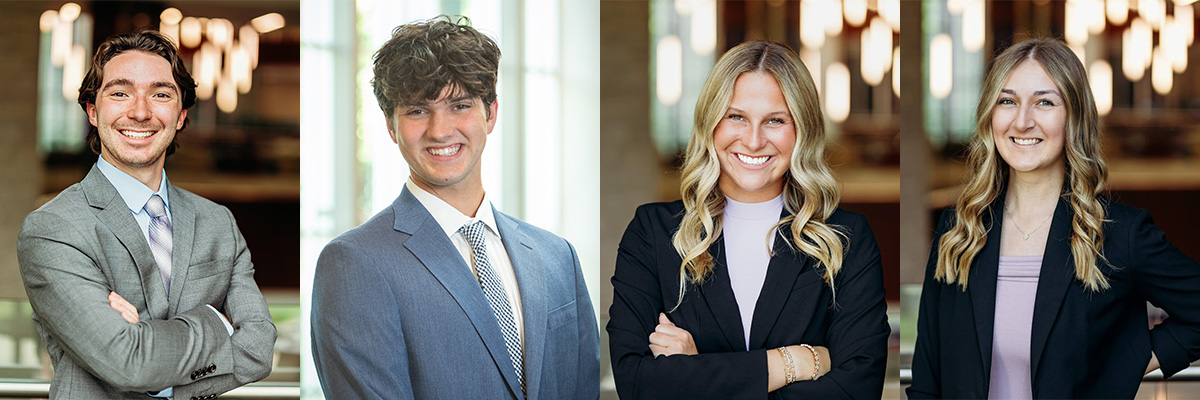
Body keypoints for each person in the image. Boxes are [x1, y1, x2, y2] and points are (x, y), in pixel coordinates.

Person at [309, 15, 599, 399]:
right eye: (416, 110)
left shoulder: (557, 256)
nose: (440, 130)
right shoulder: (354, 264)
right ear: (391, 126)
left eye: (460, 105)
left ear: (491, 113)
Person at [908, 38, 1200, 399]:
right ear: (990, 115)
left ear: (1074, 117)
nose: (1022, 120)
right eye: (1007, 101)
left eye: (1044, 102)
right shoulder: (959, 230)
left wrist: (1128, 361)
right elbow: (926, 381)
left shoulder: (1119, 234)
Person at [608, 40, 889, 399]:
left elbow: (857, 390)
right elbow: (636, 382)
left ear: (801, 129)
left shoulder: (846, 238)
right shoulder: (653, 233)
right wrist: (794, 362)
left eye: (775, 120)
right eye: (736, 116)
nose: (754, 141)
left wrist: (697, 369)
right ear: (711, 122)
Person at [16, 30, 277, 399]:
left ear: (182, 115)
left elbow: (258, 349)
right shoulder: (54, 228)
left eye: (160, 94)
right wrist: (218, 322)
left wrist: (146, 342)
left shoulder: (217, 222)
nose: (140, 112)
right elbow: (127, 363)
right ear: (93, 111)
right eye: (120, 92)